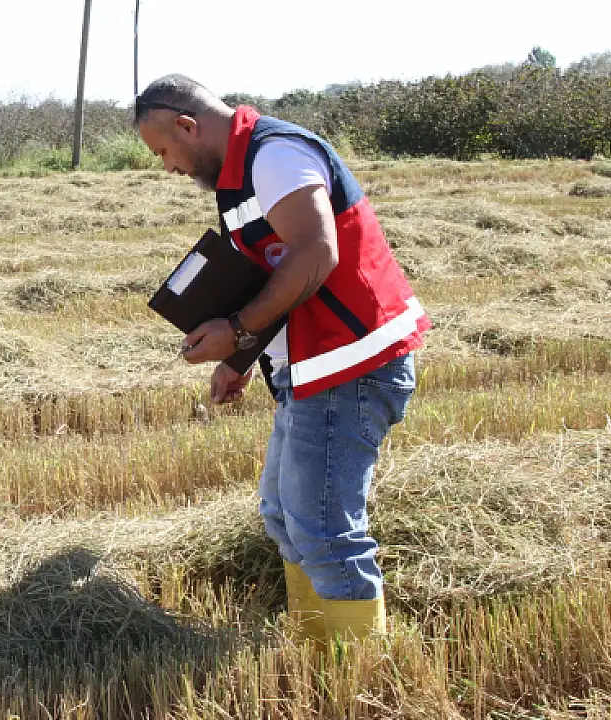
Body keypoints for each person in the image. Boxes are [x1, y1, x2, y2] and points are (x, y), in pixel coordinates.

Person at [134, 75, 428, 643]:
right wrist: (240, 358)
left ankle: (356, 674)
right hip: (309, 367)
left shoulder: (274, 156)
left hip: (352, 364)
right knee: (283, 515)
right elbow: (272, 273)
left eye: (164, 151)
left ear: (188, 126)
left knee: (322, 529)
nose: (167, 167)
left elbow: (317, 252)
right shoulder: (237, 180)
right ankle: (318, 642)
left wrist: (238, 328)